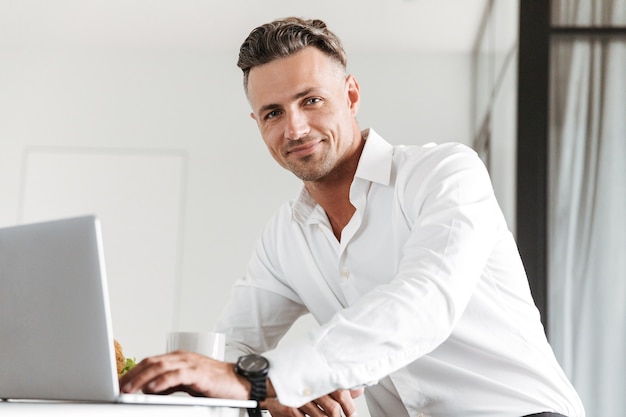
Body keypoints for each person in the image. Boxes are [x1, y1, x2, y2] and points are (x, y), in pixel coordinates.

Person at [121, 17, 585, 417]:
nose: (295, 128)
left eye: (311, 100)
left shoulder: (444, 173)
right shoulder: (286, 236)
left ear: (351, 93)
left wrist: (267, 380)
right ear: (257, 125)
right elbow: (236, 347)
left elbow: (422, 304)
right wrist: (275, 393)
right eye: (272, 113)